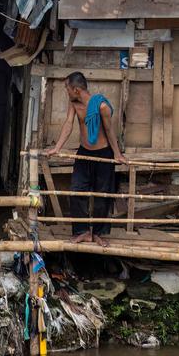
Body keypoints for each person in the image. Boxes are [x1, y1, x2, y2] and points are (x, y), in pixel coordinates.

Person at [45, 72, 127, 246]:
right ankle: (82, 231)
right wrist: (57, 148)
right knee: (76, 191)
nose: (66, 91)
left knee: (102, 195)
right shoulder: (74, 104)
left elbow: (110, 131)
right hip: (83, 153)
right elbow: (68, 124)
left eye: (67, 88)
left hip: (103, 154)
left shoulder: (101, 106)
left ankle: (98, 233)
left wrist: (117, 154)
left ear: (76, 89)